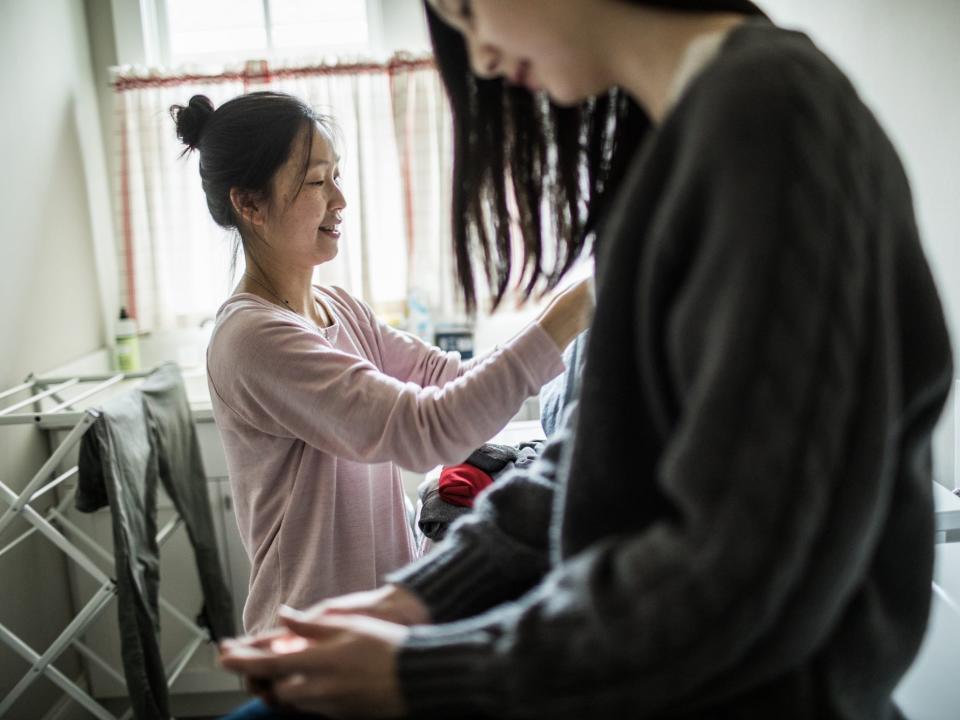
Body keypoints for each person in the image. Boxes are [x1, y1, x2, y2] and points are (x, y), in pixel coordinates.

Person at [218, 1, 954, 718]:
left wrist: (430, 669)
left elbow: (736, 566)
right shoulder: (672, 150)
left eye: (468, 7)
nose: (478, 54)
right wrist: (423, 596)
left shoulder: (767, 121)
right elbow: (594, 456)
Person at [171, 91, 593, 634]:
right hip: (313, 632)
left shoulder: (338, 306)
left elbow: (449, 381)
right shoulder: (254, 339)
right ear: (250, 205)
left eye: (337, 176)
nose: (340, 199)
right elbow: (426, 430)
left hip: (379, 621)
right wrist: (565, 318)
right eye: (317, 181)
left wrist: (570, 335)